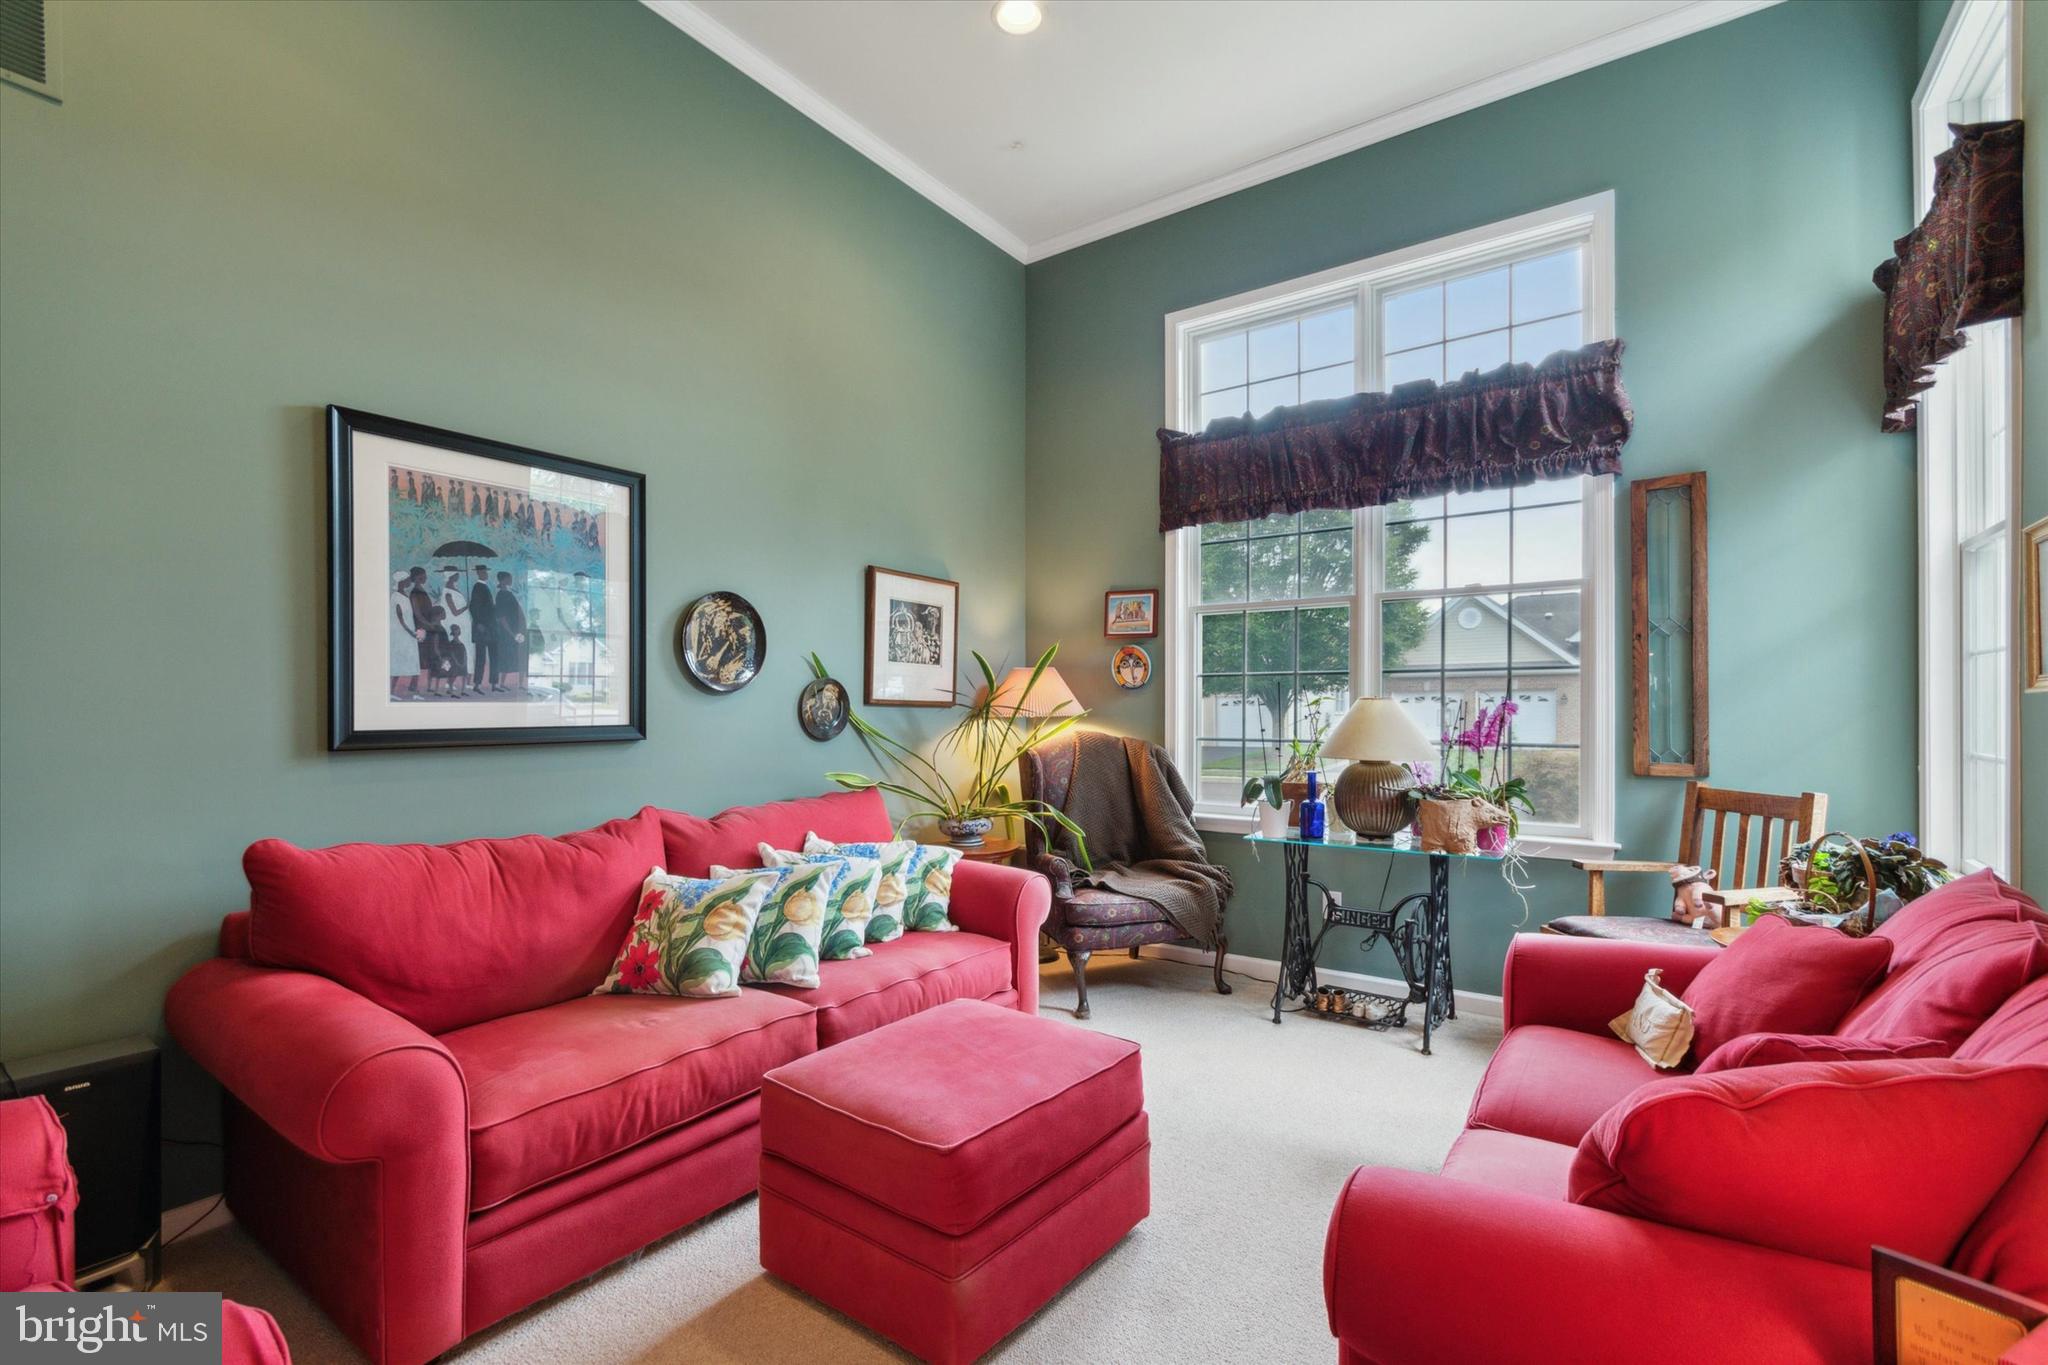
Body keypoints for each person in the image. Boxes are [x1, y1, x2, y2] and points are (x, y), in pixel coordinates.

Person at [389, 572, 422, 699]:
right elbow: (400, 618)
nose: (410, 581)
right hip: (401, 635)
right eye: (408, 579)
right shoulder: (396, 597)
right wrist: (410, 632)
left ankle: (414, 691)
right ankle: (391, 692)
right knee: (398, 662)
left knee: (414, 661)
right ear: (402, 581)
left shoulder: (405, 595)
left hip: (409, 633)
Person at [494, 571, 527, 692]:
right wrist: (511, 633)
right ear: (503, 580)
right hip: (508, 632)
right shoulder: (501, 595)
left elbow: (518, 611)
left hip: (518, 629)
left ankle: (521, 684)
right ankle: (501, 683)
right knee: (506, 657)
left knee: (521, 656)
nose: (511, 580)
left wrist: (522, 627)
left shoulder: (509, 594)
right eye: (509, 578)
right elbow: (501, 617)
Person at [468, 565, 497, 692]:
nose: (486, 574)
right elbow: (473, 607)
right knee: (481, 658)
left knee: (494, 656)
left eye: (486, 572)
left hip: (491, 628)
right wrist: (479, 623)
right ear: (479, 573)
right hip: (482, 628)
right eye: (483, 572)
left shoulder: (485, 587)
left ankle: (494, 684)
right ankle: (477, 684)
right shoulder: (477, 587)